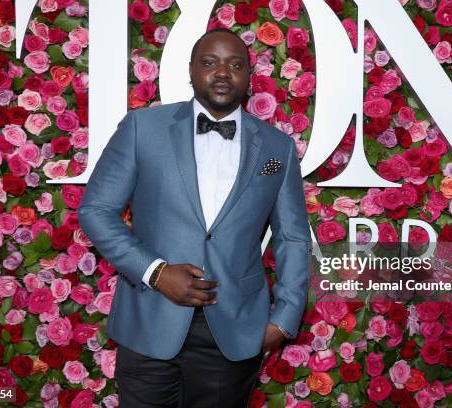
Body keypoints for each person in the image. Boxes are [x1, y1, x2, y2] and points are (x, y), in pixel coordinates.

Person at [78, 28, 311, 408]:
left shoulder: (276, 148)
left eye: (235, 65)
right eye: (209, 62)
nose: (222, 73)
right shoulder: (143, 128)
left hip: (234, 330)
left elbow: (294, 238)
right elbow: (96, 210)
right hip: (149, 322)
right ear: (190, 71)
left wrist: (284, 318)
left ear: (249, 77)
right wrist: (155, 271)